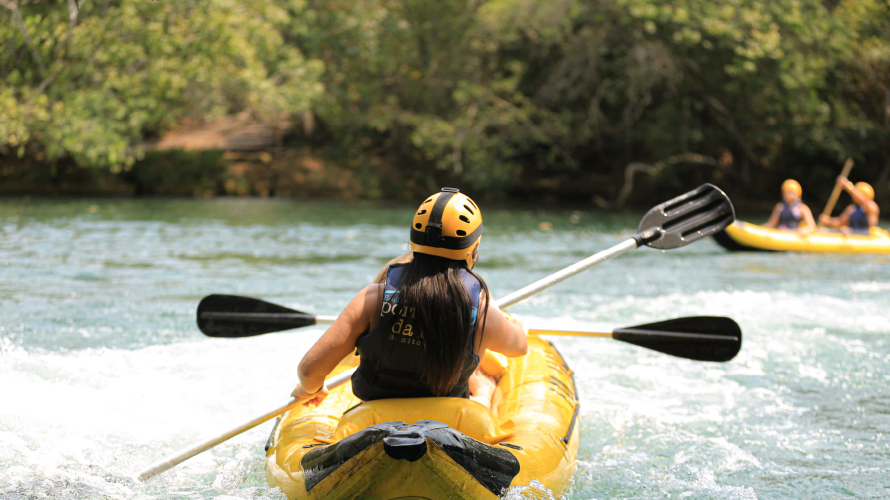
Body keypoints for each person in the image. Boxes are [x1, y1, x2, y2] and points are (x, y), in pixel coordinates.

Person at [291, 188, 528, 409]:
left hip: (374, 420)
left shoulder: (372, 299)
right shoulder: (484, 315)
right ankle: (483, 394)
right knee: (485, 386)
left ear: (413, 243)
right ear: (473, 249)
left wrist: (312, 389)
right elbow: (520, 348)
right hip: (448, 426)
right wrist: (505, 317)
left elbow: (310, 371)